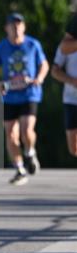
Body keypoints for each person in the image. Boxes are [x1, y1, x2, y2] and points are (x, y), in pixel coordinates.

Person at [0, 12, 49, 185]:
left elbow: (44, 64)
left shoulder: (32, 45)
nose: (16, 27)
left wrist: (40, 78)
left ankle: (29, 152)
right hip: (10, 96)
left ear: (24, 26)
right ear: (6, 28)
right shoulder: (1, 47)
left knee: (26, 130)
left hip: (30, 94)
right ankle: (20, 169)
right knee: (11, 135)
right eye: (12, 25)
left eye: (19, 24)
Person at [50, 11, 77, 158]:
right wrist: (72, 81)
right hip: (72, 98)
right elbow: (54, 71)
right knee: (73, 148)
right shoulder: (66, 46)